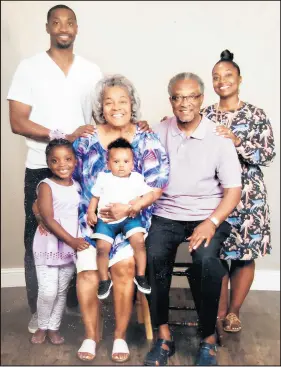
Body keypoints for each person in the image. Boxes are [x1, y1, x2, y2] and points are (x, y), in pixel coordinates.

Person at [7, 4, 149, 333]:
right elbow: (17, 121)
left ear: (77, 27)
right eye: (56, 22)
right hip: (42, 166)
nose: (63, 27)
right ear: (47, 27)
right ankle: (39, 312)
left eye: (69, 22)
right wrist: (62, 135)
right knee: (39, 237)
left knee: (78, 236)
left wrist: (132, 123)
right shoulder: (30, 67)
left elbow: (106, 114)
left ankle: (70, 305)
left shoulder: (90, 70)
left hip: (83, 168)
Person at [144, 72, 242, 366]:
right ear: (171, 100)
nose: (184, 103)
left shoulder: (219, 137)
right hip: (166, 213)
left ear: (201, 99)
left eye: (191, 96)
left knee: (207, 262)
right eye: (177, 97)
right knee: (153, 255)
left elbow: (233, 191)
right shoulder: (159, 131)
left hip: (208, 215)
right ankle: (164, 336)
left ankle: (208, 337)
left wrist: (211, 222)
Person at [73, 74, 169, 362]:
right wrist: (90, 210)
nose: (116, 107)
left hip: (133, 222)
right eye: (109, 101)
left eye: (123, 101)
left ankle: (120, 337)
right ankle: (91, 335)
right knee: (89, 274)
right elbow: (70, 176)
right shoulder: (86, 139)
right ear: (101, 107)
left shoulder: (146, 137)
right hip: (93, 223)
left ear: (132, 104)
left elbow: (157, 184)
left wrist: (128, 208)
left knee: (125, 270)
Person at [203, 50, 276, 334]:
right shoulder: (206, 114)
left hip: (249, 197)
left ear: (239, 79)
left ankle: (233, 313)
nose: (222, 81)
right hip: (215, 194)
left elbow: (267, 154)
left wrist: (237, 141)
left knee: (245, 255)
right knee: (217, 253)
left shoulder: (256, 114)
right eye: (216, 77)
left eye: (228, 75)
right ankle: (218, 312)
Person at [31, 139, 90, 345]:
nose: (61, 164)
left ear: (75, 161)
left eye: (67, 159)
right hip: (50, 243)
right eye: (54, 160)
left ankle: (54, 327)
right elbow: (48, 217)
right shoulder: (46, 186)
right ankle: (42, 325)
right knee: (48, 291)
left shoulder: (78, 186)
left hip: (70, 244)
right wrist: (72, 241)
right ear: (48, 163)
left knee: (61, 290)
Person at [87, 137, 155, 299]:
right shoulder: (104, 177)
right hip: (106, 220)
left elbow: (150, 194)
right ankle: (104, 280)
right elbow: (95, 197)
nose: (121, 165)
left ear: (132, 163)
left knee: (139, 241)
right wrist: (91, 212)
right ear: (108, 163)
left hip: (130, 218)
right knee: (102, 248)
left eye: (126, 161)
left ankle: (140, 276)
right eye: (116, 161)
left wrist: (138, 203)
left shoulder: (137, 178)